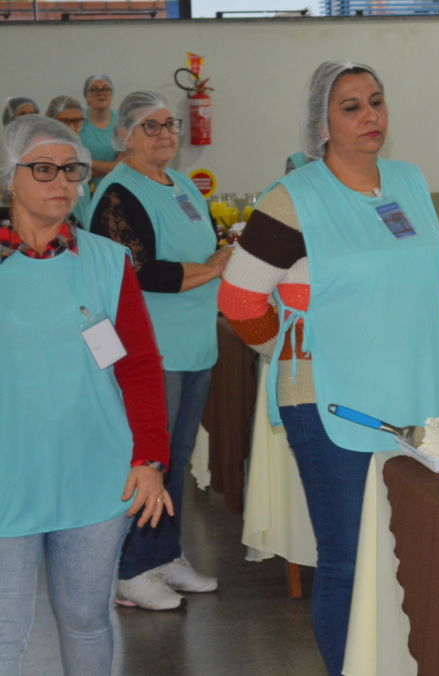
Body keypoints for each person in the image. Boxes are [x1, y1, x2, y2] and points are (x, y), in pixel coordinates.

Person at [220, 60, 439, 673]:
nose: (369, 115)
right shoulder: (294, 198)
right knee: (349, 558)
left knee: (414, 552)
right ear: (320, 123)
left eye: (376, 101)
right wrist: (289, 349)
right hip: (329, 404)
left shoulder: (409, 180)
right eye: (350, 106)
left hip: (416, 398)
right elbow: (240, 301)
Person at [0, 115, 171, 675]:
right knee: (5, 636)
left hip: (96, 474)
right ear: (10, 176)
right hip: (9, 474)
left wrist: (149, 459)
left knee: (86, 619)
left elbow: (140, 367)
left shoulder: (105, 260)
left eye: (71, 170)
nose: (62, 181)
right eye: (43, 169)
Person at [88, 91, 227, 611]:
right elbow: (138, 271)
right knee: (149, 459)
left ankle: (166, 553)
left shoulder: (183, 183)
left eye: (170, 124)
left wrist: (213, 266)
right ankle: (131, 569)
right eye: (150, 126)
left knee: (179, 458)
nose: (165, 133)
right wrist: (213, 269)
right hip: (152, 350)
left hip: (194, 344)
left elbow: (207, 244)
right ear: (125, 135)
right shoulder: (118, 194)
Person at [44, 96, 92, 228]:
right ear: (51, 121)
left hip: (82, 219)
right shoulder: (44, 152)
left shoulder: (79, 147)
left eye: (77, 121)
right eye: (65, 121)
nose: (71, 127)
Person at [80, 75, 121, 179]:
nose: (101, 93)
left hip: (117, 183)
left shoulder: (123, 122)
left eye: (106, 89)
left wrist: (85, 162)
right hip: (82, 186)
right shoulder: (77, 121)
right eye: (94, 90)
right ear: (86, 96)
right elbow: (73, 166)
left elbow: (122, 167)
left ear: (112, 94)